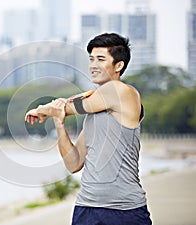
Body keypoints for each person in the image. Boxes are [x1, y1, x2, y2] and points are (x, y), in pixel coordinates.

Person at [25, 33, 152, 225]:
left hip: (125, 210)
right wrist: (59, 123)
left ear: (119, 65)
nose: (93, 65)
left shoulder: (122, 91)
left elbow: (69, 107)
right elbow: (73, 163)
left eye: (101, 59)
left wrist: (42, 109)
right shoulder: (94, 114)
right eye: (91, 59)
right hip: (87, 207)